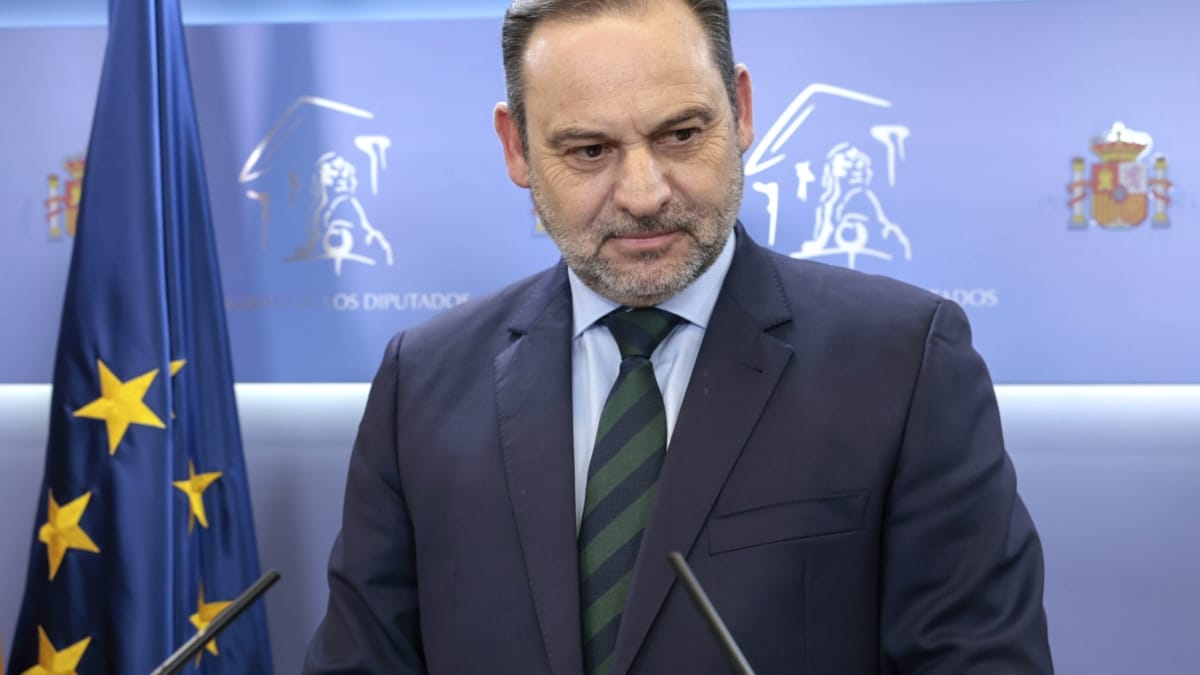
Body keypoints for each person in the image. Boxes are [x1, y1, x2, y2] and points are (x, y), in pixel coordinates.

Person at [302, 0, 1053, 673]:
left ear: (743, 109)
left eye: (682, 134)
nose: (644, 192)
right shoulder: (422, 383)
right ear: (517, 149)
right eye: (589, 151)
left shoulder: (905, 363)